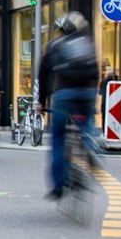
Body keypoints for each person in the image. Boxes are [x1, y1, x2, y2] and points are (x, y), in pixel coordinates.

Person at [39, 13, 100, 198]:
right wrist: (92, 97)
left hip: (64, 93)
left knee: (58, 137)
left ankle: (58, 186)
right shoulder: (86, 43)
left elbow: (44, 76)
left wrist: (42, 102)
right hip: (86, 92)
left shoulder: (54, 45)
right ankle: (90, 145)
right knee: (87, 123)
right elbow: (96, 71)